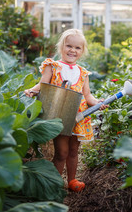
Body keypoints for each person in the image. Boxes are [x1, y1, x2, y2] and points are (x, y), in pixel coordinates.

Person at [24, 29, 108, 192]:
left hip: (78, 117)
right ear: (61, 46)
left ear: (82, 51)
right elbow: (42, 85)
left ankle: (72, 180)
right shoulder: (53, 66)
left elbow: (88, 96)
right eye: (69, 46)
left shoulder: (83, 73)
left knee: (73, 150)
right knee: (61, 152)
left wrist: (98, 102)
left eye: (77, 48)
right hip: (60, 115)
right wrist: (32, 90)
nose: (72, 50)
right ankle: (54, 183)